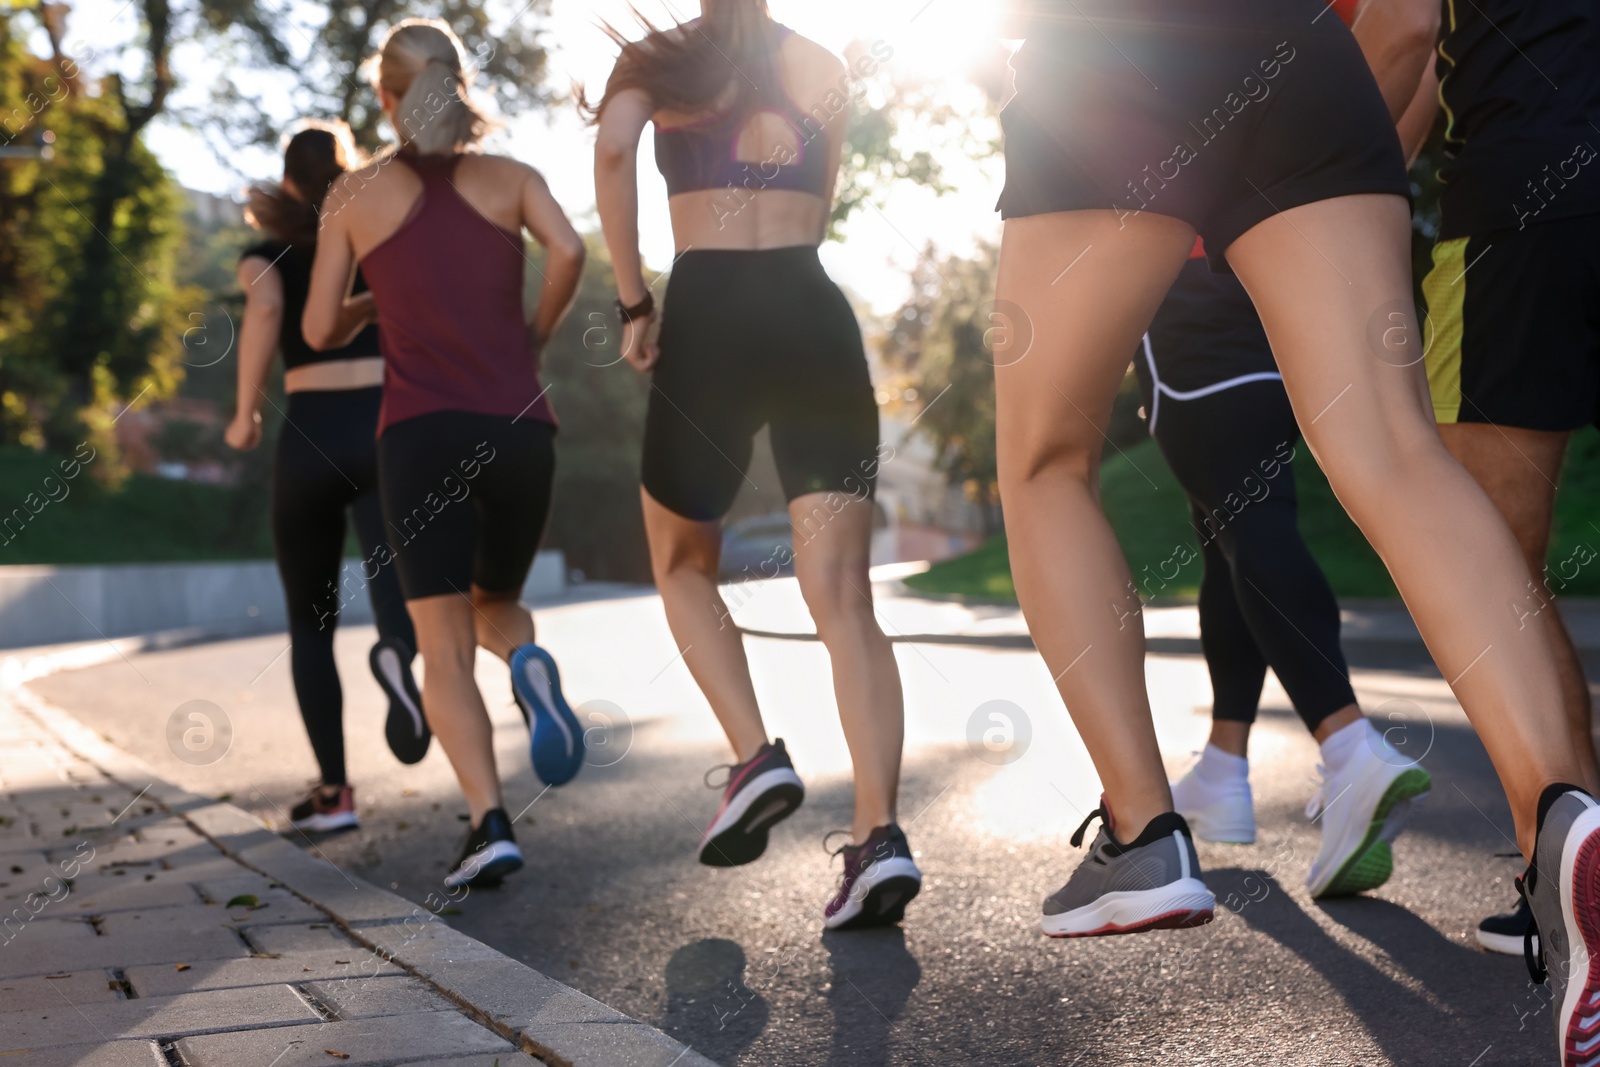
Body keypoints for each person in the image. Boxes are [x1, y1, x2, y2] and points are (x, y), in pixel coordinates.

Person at [991, 2, 1600, 1059]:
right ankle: (1564, 820)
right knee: (1398, 453)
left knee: (1044, 459)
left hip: (1115, 55)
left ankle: (1142, 834)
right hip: (1302, 55)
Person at [588, 0, 921, 930]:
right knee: (843, 594)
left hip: (710, 310)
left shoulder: (660, 61)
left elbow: (614, 151)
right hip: (811, 305)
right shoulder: (822, 63)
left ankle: (753, 755)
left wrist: (631, 302)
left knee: (683, 563)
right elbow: (831, 184)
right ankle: (879, 836)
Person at [303, 19, 587, 889]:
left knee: (442, 641)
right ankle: (530, 666)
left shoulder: (353, 195)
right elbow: (571, 250)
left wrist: (369, 301)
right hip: (521, 430)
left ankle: (489, 823)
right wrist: (530, 338)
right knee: (496, 601)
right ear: (457, 85)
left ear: (387, 98)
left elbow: (316, 327)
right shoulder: (512, 177)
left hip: (420, 436)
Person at [1138, 240, 1431, 898]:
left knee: (1247, 524)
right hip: (1271, 310)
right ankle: (1222, 767)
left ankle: (1349, 744)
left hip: (1190, 307)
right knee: (1228, 531)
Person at [1401, 0, 1600, 958]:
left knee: (1492, 567)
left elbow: (1403, 30)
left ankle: (1568, 879)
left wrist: (1294, 205)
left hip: (1522, 203)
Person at [228, 121, 426, 834]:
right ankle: (399, 654)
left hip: (310, 430)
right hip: (383, 419)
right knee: (395, 580)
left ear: (284, 182)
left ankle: (335, 794)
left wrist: (245, 412)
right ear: (344, 173)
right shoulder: (373, 236)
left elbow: (269, 310)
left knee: (310, 622)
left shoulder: (264, 254)